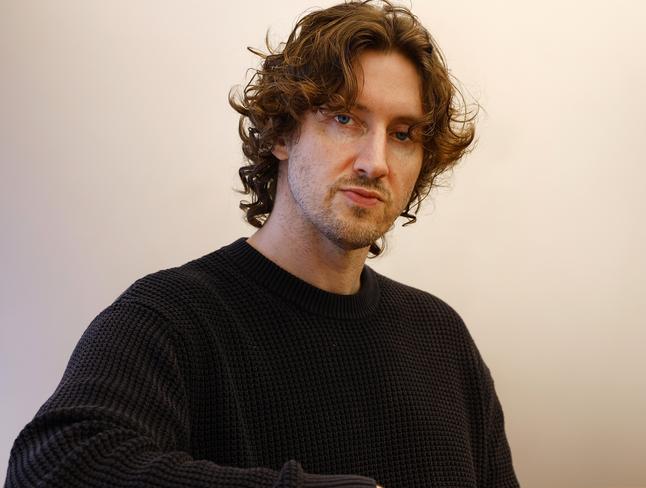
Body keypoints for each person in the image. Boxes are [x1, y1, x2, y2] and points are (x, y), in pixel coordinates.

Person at [5, 1, 519, 487]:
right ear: (281, 133)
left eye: (403, 133)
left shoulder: (441, 338)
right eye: (344, 119)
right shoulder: (170, 318)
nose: (375, 161)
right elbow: (50, 470)